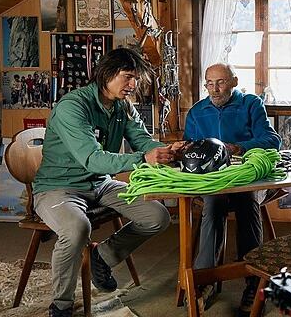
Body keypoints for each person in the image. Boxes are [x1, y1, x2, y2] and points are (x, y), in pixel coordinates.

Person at [34, 48, 184, 317]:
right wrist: (144, 158)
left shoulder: (122, 106)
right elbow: (92, 158)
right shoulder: (72, 106)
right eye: (128, 77)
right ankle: (61, 305)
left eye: (135, 79)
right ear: (106, 74)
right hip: (58, 187)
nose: (133, 85)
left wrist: (168, 150)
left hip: (100, 185)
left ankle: (101, 257)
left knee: (157, 215)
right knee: (77, 228)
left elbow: (142, 140)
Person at [184, 63, 281, 315]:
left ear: (234, 81)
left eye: (221, 82)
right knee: (214, 204)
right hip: (212, 182)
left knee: (247, 200)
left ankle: (253, 280)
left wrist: (237, 148)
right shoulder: (196, 111)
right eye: (209, 83)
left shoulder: (251, 104)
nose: (214, 90)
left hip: (247, 177)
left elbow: (272, 140)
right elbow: (189, 147)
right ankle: (204, 280)